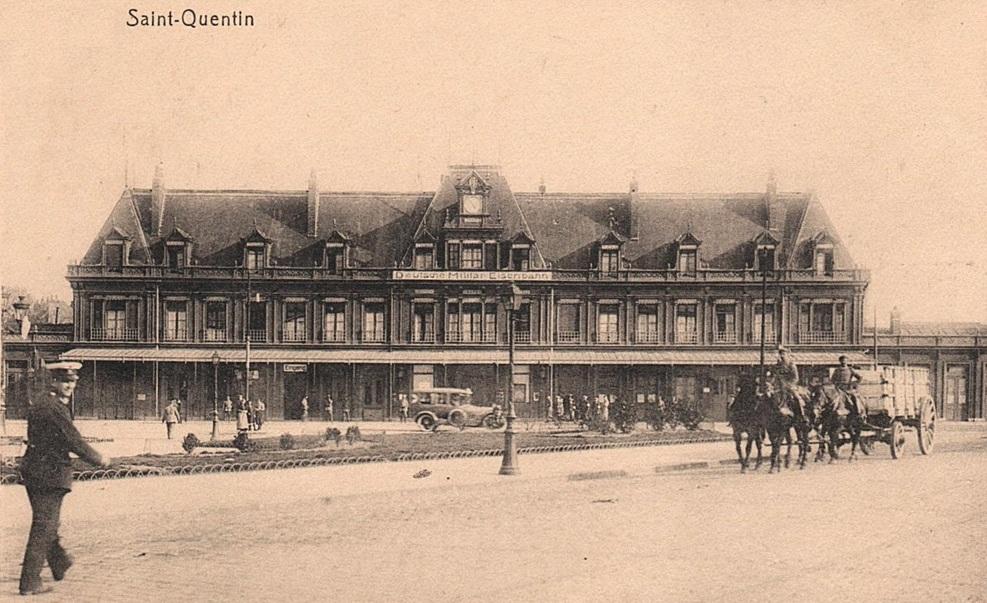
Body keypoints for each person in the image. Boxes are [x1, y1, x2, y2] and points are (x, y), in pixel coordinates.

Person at [18, 361, 110, 596]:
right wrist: (98, 459)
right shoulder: (54, 408)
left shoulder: (43, 401)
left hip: (35, 469)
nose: (69, 386)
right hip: (50, 472)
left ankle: (59, 564)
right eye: (64, 381)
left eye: (72, 382)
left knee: (47, 521)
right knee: (44, 525)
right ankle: (30, 582)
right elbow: (73, 439)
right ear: (54, 381)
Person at [773, 346, 803, 416]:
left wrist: (787, 385)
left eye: (784, 354)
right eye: (781, 354)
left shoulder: (791, 365)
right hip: (779, 385)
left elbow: (795, 378)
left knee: (796, 397)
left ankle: (801, 415)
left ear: (787, 355)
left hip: (790, 386)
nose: (782, 356)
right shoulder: (778, 366)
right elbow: (775, 376)